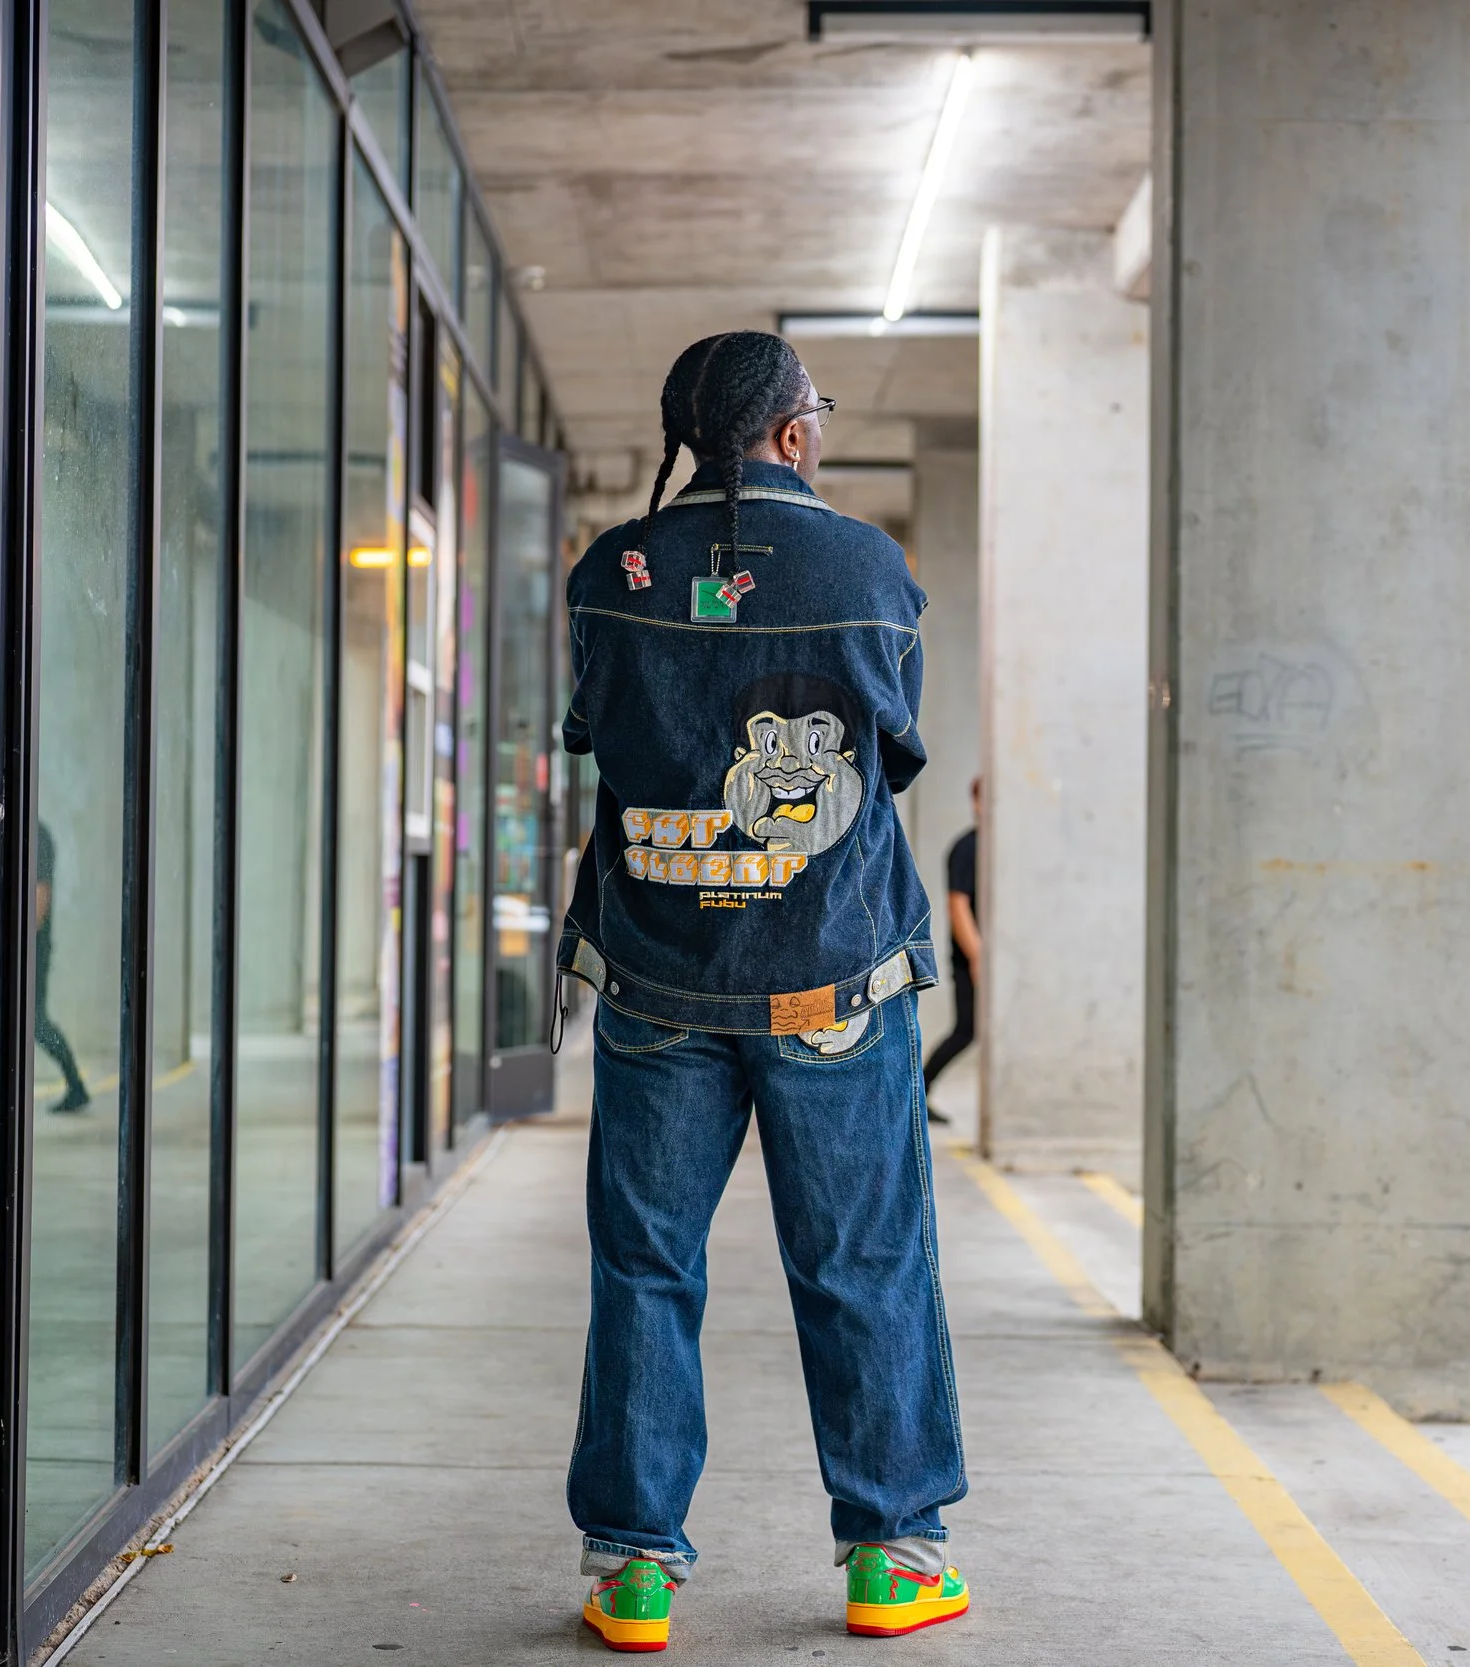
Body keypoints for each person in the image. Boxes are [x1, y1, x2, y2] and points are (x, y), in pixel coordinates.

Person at [554, 331, 970, 1650]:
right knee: (861, 1261)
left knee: (645, 1263)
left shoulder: (608, 572)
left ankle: (632, 1566)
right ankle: (890, 1558)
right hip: (829, 977)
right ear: (792, 433)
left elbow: (599, 741)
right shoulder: (866, 568)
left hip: (660, 975)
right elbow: (891, 751)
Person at [920, 778, 981, 1121]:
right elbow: (957, 906)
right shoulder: (968, 848)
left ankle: (921, 1090)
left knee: (971, 1031)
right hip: (972, 959)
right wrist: (977, 956)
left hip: (993, 959)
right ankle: (920, 1090)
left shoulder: (1000, 847)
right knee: (966, 1030)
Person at [34, 821, 89, 1114]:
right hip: (21, 947)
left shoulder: (37, 835)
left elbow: (40, 896)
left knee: (36, 1021)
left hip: (30, 948)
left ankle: (75, 1084)